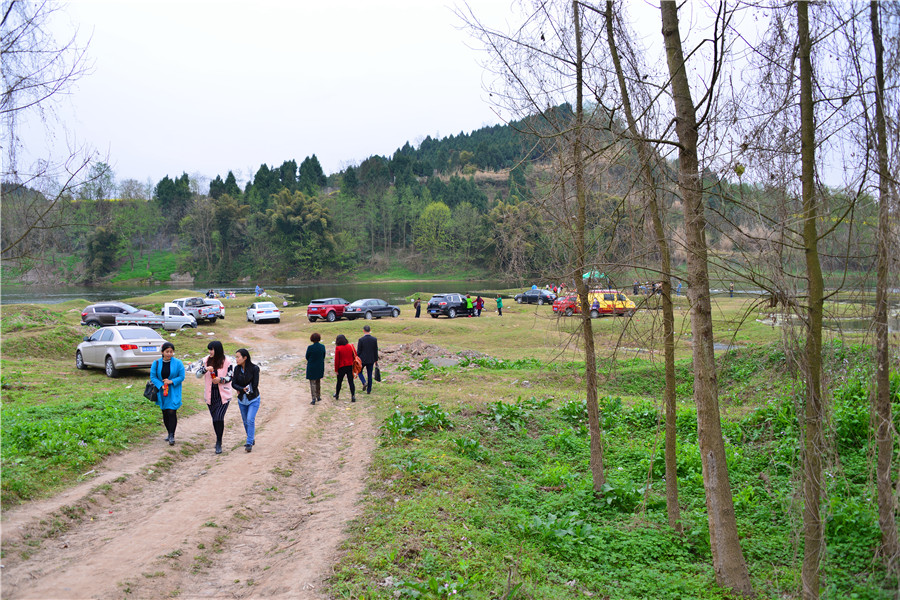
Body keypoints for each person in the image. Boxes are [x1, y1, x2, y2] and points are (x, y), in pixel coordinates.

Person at [200, 340, 233, 454]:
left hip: (223, 395)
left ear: (218, 350)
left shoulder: (227, 361)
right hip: (210, 395)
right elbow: (198, 374)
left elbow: (230, 376)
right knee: (215, 419)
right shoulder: (205, 360)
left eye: (212, 349)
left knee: (218, 418)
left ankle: (219, 442)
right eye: (209, 350)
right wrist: (205, 369)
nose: (210, 352)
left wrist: (221, 380)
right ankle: (218, 439)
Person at [150, 342, 185, 446]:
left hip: (173, 391)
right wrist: (161, 385)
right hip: (162, 391)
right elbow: (153, 377)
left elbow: (182, 376)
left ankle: (172, 435)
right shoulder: (156, 363)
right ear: (162, 352)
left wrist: (171, 381)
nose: (169, 354)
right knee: (165, 412)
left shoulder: (178, 363)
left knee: (172, 411)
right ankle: (169, 432)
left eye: (171, 351)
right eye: (167, 351)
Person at [232, 348, 260, 453]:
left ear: (245, 358)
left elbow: (255, 384)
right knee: (245, 421)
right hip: (242, 400)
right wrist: (241, 389)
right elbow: (233, 383)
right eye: (236, 357)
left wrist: (244, 389)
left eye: (238, 357)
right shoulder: (237, 369)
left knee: (250, 419)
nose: (236, 359)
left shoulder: (254, 368)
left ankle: (249, 443)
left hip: (253, 399)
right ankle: (251, 438)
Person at [333, 334, 357, 402]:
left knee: (339, 381)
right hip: (350, 366)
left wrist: (336, 369)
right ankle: (353, 396)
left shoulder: (338, 348)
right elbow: (355, 355)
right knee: (351, 382)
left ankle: (337, 394)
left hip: (341, 367)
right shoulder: (351, 346)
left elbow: (337, 360)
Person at [356, 325, 379, 395]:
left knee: (359, 372)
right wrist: (376, 360)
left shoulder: (361, 340)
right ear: (370, 330)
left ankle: (363, 382)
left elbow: (359, 351)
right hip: (371, 359)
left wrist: (357, 358)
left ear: (363, 330)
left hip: (362, 359)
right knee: (369, 374)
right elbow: (375, 350)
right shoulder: (374, 339)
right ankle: (369, 390)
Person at [306, 332, 326, 405]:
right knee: (318, 381)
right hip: (319, 366)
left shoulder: (310, 347)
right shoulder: (322, 347)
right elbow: (323, 355)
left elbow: (307, 356)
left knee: (312, 383)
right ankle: (318, 396)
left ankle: (313, 398)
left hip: (312, 366)